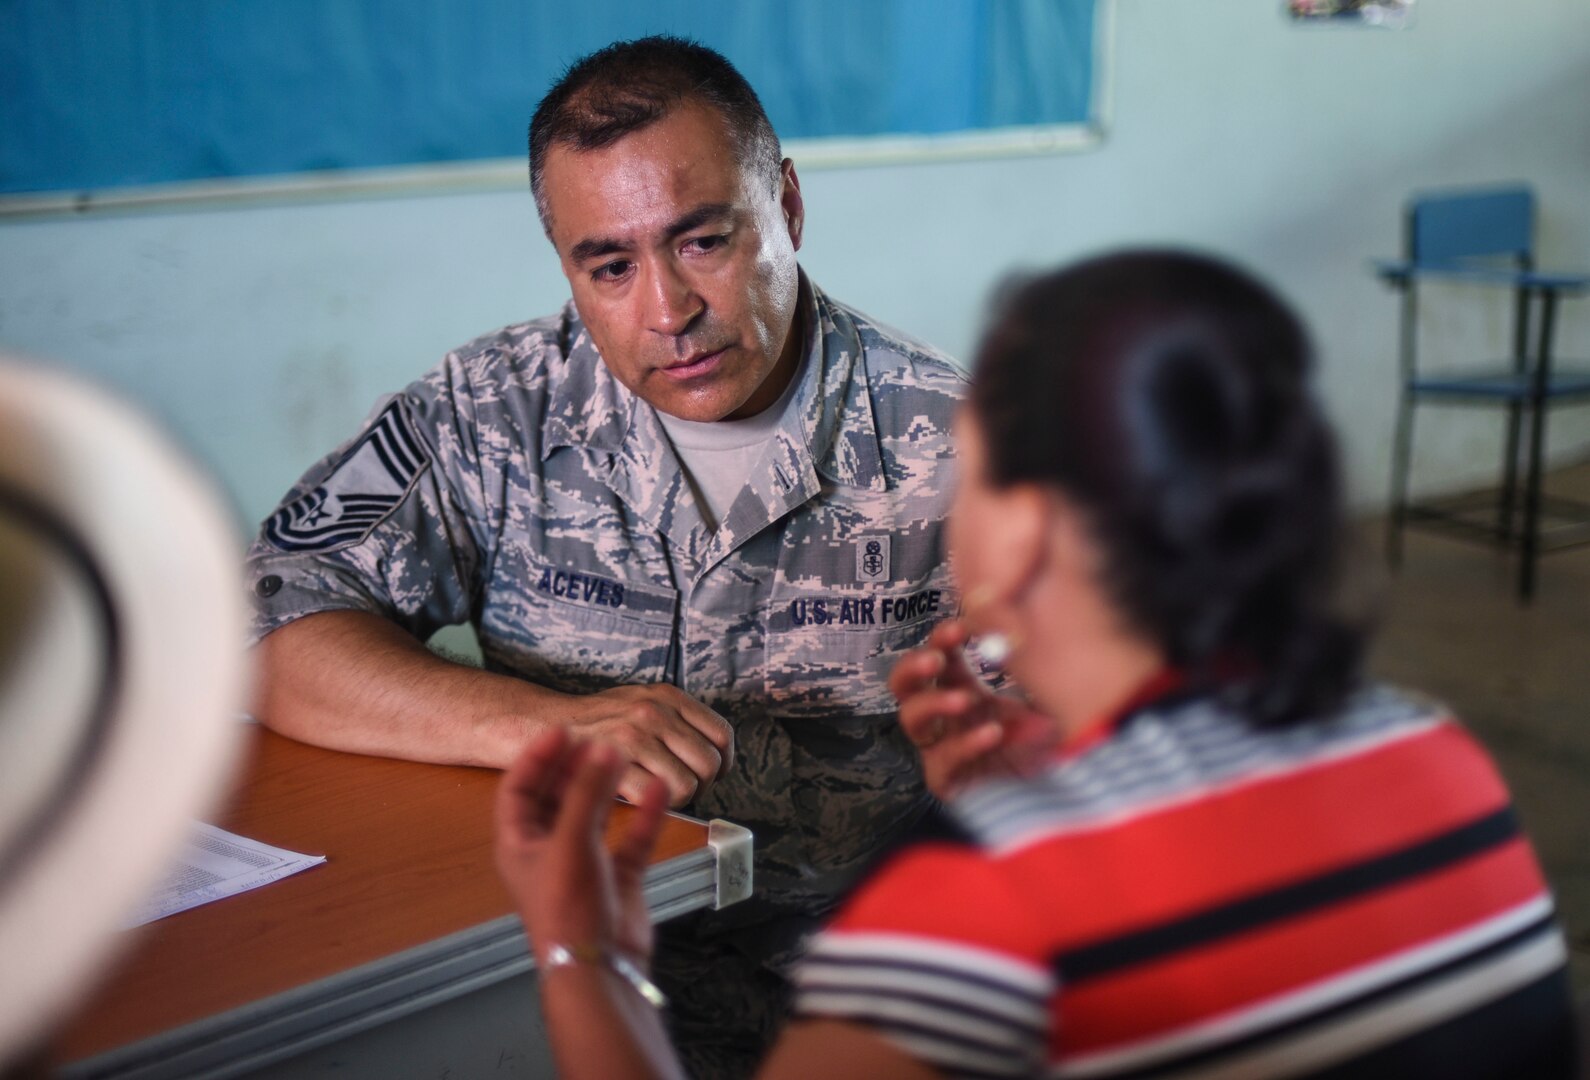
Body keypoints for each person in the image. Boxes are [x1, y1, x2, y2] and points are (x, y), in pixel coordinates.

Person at [494, 250, 1577, 1079]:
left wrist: (584, 957)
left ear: (1030, 533)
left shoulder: (987, 890)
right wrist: (1042, 795)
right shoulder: (1435, 754)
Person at [244, 36, 964, 1078]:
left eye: (704, 243)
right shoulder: (492, 409)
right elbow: (269, 614)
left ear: (788, 211)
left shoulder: (964, 446)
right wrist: (540, 726)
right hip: (548, 998)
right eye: (611, 266)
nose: (667, 313)